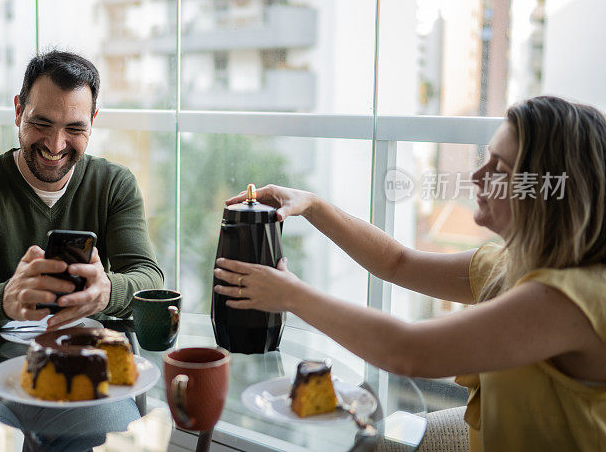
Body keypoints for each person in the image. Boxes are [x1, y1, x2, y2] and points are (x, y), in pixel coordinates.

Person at [214, 96, 606, 450]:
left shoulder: (569, 300)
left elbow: (407, 352)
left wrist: (292, 296)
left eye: (499, 168)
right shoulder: (508, 264)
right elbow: (397, 262)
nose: (476, 177)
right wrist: (312, 205)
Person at [0, 50, 163, 334]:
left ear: (92, 121)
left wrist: (106, 291)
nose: (55, 145)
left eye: (75, 128)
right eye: (41, 123)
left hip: (86, 354)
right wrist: (5, 300)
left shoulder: (114, 184)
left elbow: (149, 279)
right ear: (18, 111)